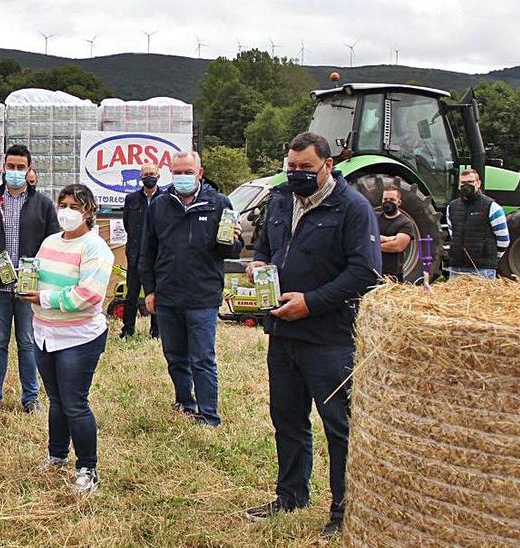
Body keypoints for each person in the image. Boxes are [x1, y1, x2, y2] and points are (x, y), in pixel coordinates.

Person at [244, 132, 380, 538]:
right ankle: (290, 495)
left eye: (306, 168)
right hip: (283, 331)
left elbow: (365, 273)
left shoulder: (352, 208)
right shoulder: (283, 199)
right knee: (287, 418)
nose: (298, 175)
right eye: (292, 167)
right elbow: (265, 245)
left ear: (328, 165)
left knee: (338, 426)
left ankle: (342, 510)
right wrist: (259, 264)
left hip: (329, 337)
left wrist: (312, 302)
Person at [21, 184, 113, 494]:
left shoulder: (95, 248)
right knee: (57, 401)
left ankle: (87, 467)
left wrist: (44, 298)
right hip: (45, 334)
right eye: (63, 204)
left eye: (75, 206)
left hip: (79, 337)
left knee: (75, 403)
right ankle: (56, 455)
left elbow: (89, 295)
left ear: (89, 211)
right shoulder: (49, 242)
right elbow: (36, 276)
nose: (67, 211)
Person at [141, 152, 242, 426]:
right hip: (168, 293)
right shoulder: (160, 205)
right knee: (174, 355)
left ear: (199, 172)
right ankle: (185, 401)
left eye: (187, 171)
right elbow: (147, 251)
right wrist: (150, 289)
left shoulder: (218, 203)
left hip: (202, 295)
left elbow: (232, 249)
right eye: (177, 171)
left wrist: (231, 240)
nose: (181, 177)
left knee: (202, 358)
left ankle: (208, 414)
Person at [0, 144, 60, 412]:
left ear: (29, 170)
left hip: (28, 289)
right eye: (11, 167)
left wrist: (42, 270)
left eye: (21, 167)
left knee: (28, 343)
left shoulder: (42, 204)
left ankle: (31, 398)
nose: (16, 172)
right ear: (4, 167)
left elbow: (54, 243)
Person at [119, 162, 162, 340]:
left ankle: (157, 332)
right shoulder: (131, 199)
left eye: (152, 173)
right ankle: (128, 330)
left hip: (157, 256)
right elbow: (127, 224)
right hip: (135, 254)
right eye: (145, 174)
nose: (149, 177)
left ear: (158, 176)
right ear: (140, 177)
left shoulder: (165, 198)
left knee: (157, 294)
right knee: (131, 295)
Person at [445, 169, 508, 279]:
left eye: (470, 182)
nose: (466, 186)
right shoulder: (451, 207)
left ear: (478, 184)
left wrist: (490, 257)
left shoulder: (492, 207)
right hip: (457, 268)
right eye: (463, 183)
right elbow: (453, 233)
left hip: (483, 269)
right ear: (459, 185)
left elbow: (504, 240)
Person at [377, 181, 417, 282]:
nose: (388, 202)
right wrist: (387, 239)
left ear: (399, 202)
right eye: (385, 199)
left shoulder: (405, 223)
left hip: (393, 274)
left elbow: (398, 246)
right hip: (373, 270)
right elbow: (364, 237)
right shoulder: (374, 217)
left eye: (392, 200)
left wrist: (373, 244)